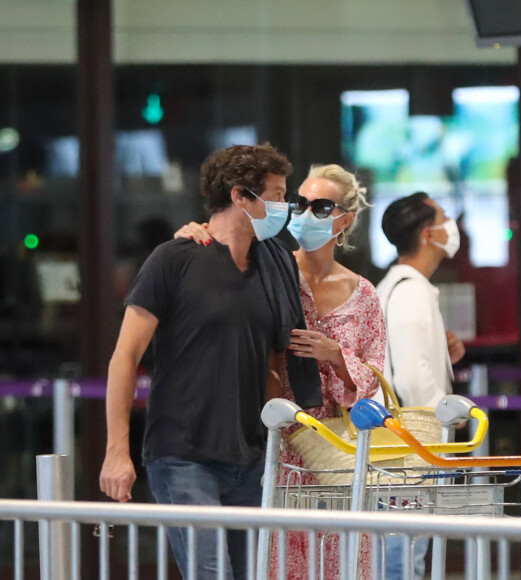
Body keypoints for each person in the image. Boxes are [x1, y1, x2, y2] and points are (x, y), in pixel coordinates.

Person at [99, 143, 321, 580]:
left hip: (248, 456)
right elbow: (124, 357)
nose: (284, 206)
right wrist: (116, 452)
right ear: (240, 196)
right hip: (184, 454)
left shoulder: (272, 262)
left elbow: (276, 354)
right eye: (276, 194)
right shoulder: (175, 258)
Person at [176, 163, 386, 579]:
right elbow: (222, 247)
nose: (306, 213)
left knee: (342, 560)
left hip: (339, 452)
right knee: (277, 559)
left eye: (321, 207)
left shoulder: (363, 295)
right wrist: (192, 234)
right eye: (300, 202)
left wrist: (336, 355)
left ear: (346, 219)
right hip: (277, 445)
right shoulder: (268, 268)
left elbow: (375, 376)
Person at [376, 191, 466, 580]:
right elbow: (411, 378)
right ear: (428, 234)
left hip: (405, 447)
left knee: (404, 552)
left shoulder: (404, 287)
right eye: (445, 217)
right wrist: (446, 417)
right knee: (403, 556)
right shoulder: (410, 291)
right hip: (412, 450)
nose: (452, 226)